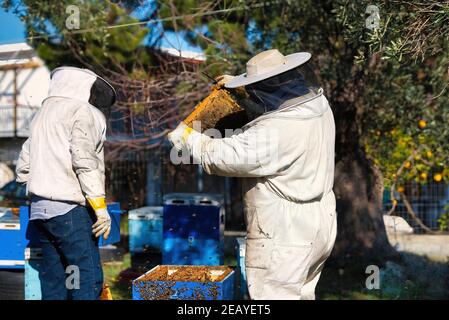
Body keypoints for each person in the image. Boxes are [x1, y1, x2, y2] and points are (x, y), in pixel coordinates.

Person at [168, 49, 337, 300]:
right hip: (321, 221)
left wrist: (188, 139)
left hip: (285, 233)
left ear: (264, 87)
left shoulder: (276, 131)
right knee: (302, 294)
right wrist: (239, 87)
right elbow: (272, 100)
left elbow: (222, 156)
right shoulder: (318, 106)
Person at [16, 66, 116, 300]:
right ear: (89, 90)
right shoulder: (82, 111)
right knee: (87, 279)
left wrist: (43, 185)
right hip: (70, 211)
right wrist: (100, 209)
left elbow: (23, 169)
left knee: (55, 281)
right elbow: (84, 160)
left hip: (40, 212)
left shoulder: (43, 113)